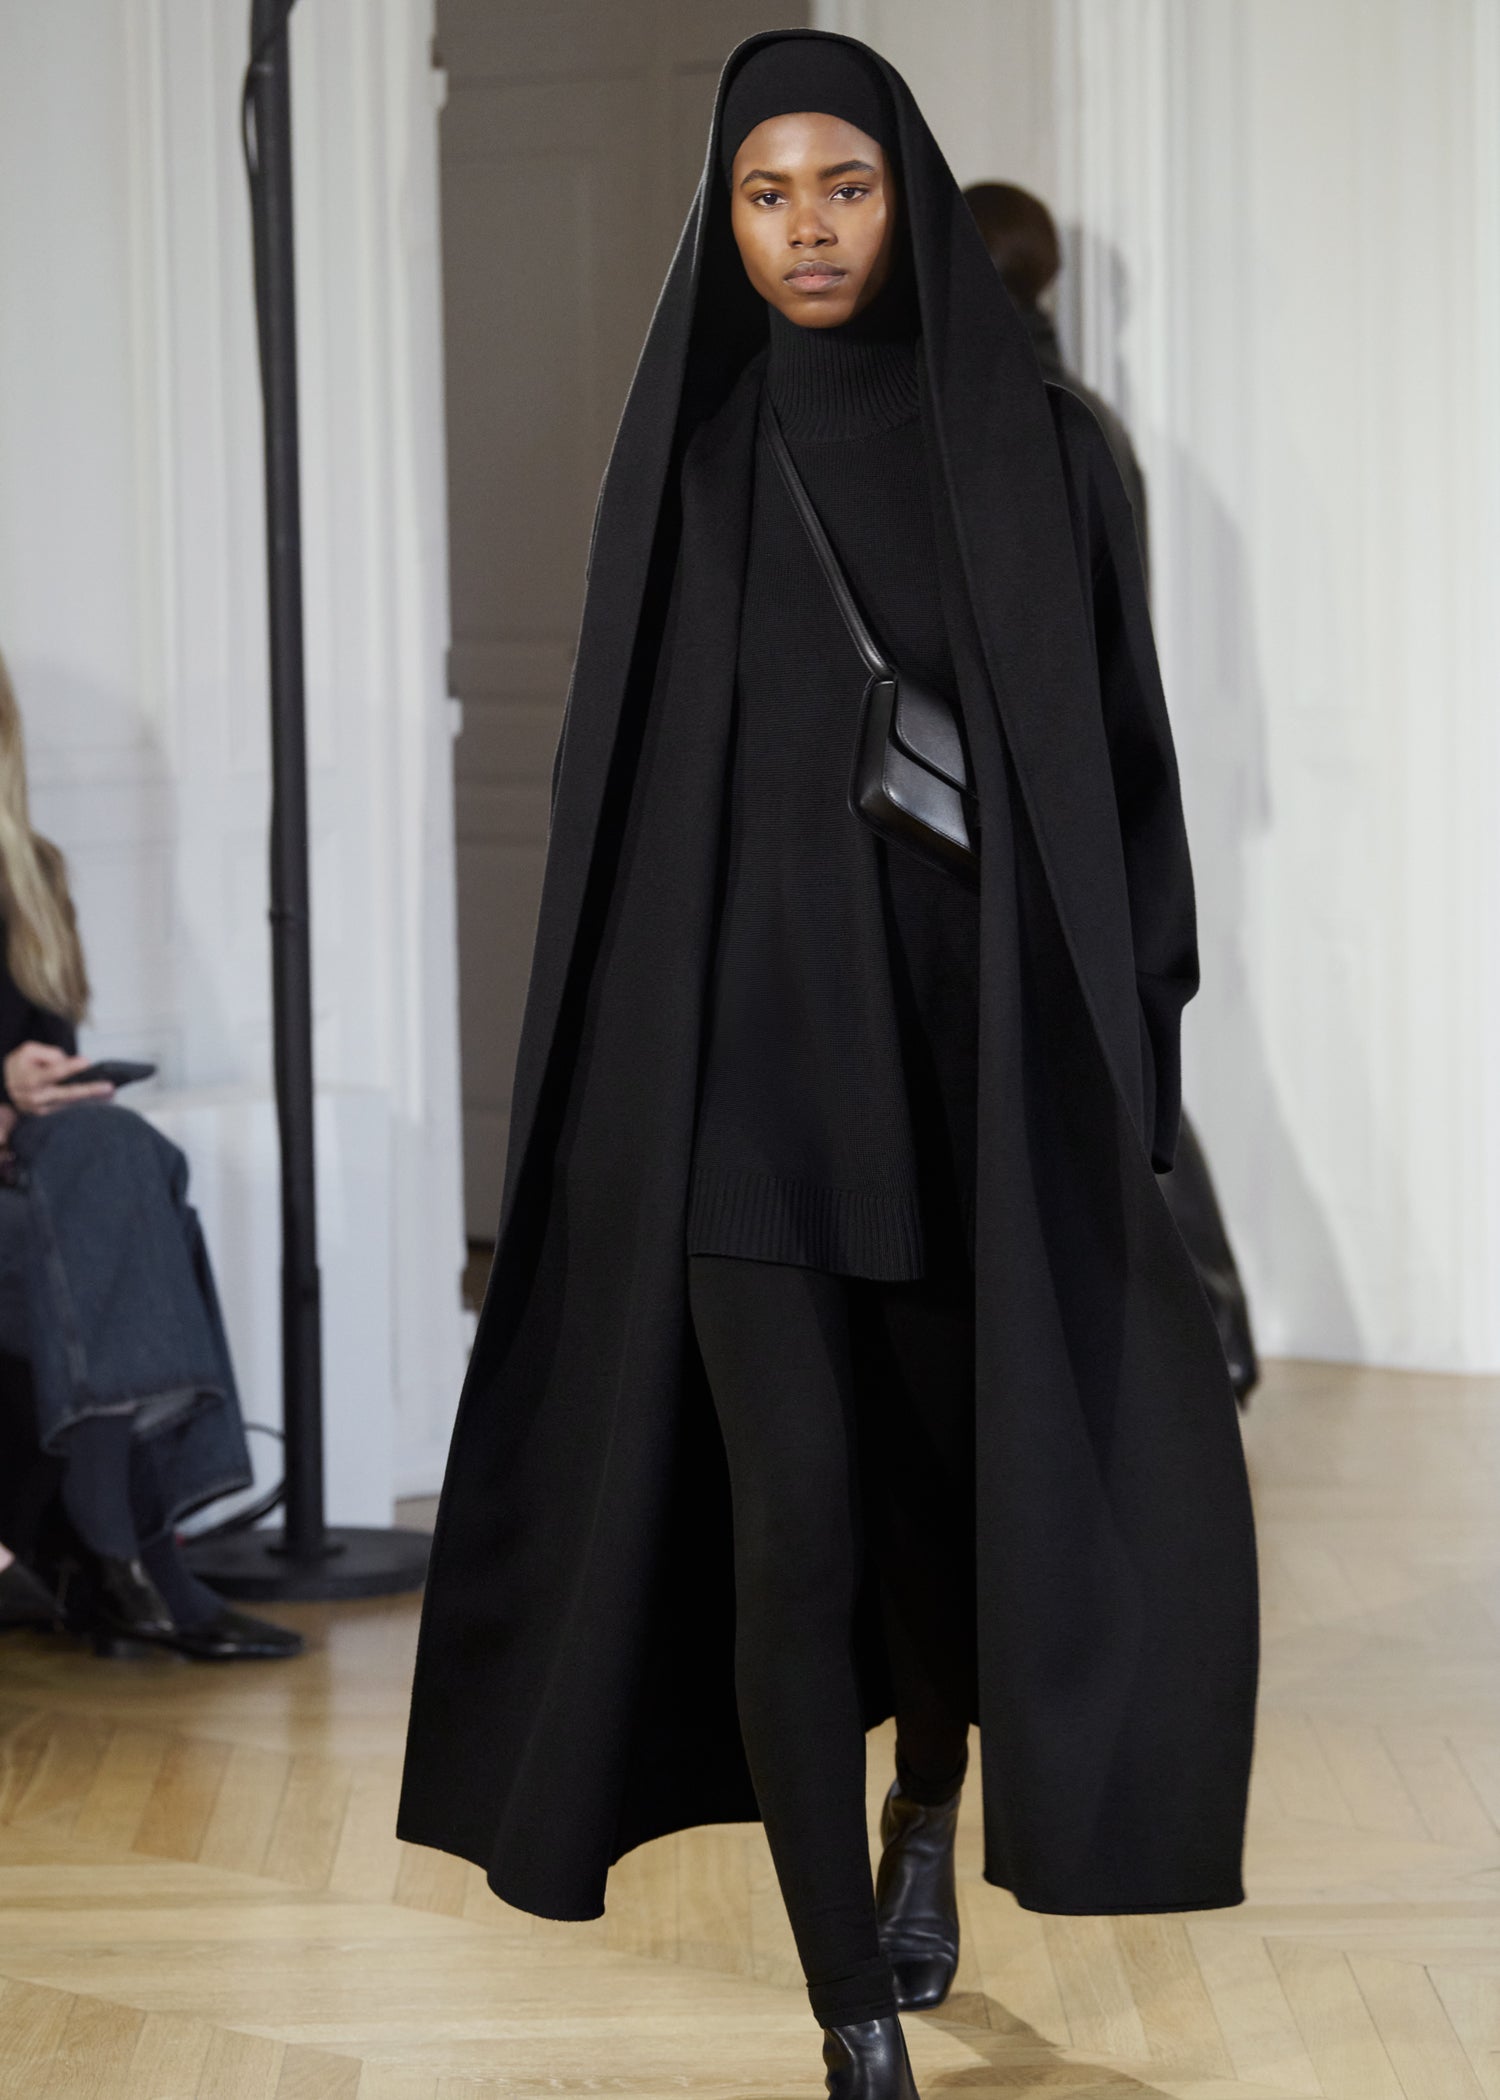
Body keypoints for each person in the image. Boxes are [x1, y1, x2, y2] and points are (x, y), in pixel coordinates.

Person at [399, 32, 1258, 2098]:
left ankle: (928, 1805)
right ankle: (848, 2008)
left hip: (967, 1090)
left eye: (845, 188)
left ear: (907, 197)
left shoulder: (1042, 456)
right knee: (793, 1532)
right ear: (728, 213)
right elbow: (613, 805)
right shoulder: (694, 468)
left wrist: (1126, 1070)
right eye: (768, 193)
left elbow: (1128, 786)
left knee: (946, 1517)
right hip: (742, 1101)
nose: (805, 228)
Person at [962, 180, 1261, 1402]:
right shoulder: (1086, 415)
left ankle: (1205, 1330)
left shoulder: (1023, 420)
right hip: (1087, 780)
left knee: (1103, 1061)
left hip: (1050, 793)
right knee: (1106, 1053)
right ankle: (1199, 1330)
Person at [0, 652, 301, 1661]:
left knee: (115, 1148)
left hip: (26, 1182)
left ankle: (113, 1552)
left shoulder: (30, 874)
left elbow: (47, 1053)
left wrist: (34, 1085)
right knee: (132, 1215)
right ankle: (135, 1560)